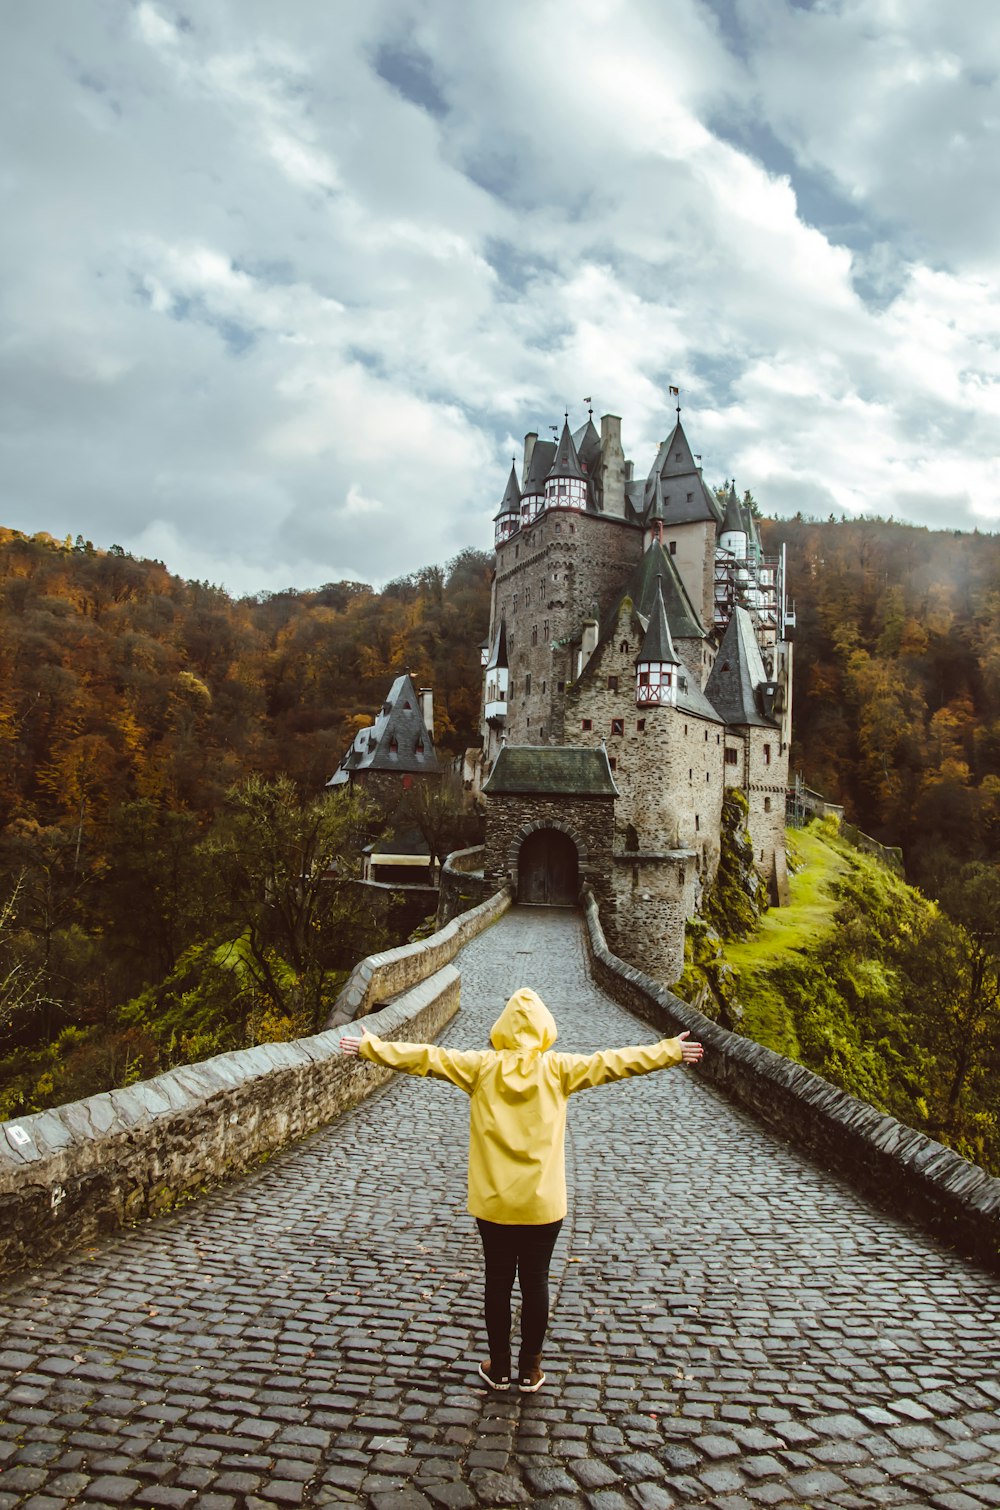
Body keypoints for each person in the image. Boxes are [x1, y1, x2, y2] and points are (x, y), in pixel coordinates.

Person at [340, 986, 703, 1393]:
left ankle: (498, 1367)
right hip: (541, 1203)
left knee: (497, 1281)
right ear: (545, 1030)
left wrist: (369, 1047)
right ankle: (529, 1369)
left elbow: (426, 1058)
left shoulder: (479, 1067)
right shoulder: (559, 1069)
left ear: (502, 1029)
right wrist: (669, 1050)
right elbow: (614, 1062)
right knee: (535, 1281)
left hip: (494, 1202)